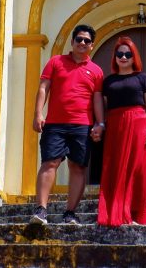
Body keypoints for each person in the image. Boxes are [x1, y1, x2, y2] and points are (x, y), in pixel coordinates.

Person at [31, 25, 105, 225]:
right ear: (72, 42)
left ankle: (70, 212)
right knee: (50, 163)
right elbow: (43, 88)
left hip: (82, 125)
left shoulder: (96, 71)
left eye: (87, 41)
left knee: (78, 167)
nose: (82, 43)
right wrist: (38, 114)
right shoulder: (56, 62)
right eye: (79, 39)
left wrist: (100, 123)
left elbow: (97, 99)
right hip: (55, 123)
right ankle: (41, 210)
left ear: (92, 45)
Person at [97, 36, 146, 226]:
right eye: (119, 54)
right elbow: (103, 107)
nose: (123, 57)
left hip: (138, 124)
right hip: (115, 125)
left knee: (137, 168)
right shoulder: (108, 81)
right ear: (114, 57)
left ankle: (136, 213)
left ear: (134, 57)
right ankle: (115, 211)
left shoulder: (142, 78)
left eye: (128, 54)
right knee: (114, 166)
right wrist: (100, 125)